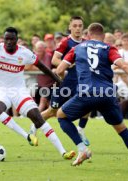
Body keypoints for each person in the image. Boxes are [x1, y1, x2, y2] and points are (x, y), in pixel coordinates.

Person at [56, 23, 128, 169]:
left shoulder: (77, 48)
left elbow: (60, 69)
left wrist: (63, 73)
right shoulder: (109, 48)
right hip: (107, 94)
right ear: (103, 37)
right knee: (122, 129)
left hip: (86, 92)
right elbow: (124, 66)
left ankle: (82, 149)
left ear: (88, 36)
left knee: (61, 116)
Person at [0, 27, 75, 160]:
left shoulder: (24, 53)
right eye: (6, 39)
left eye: (12, 39)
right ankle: (27, 136)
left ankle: (63, 152)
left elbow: (42, 66)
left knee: (37, 118)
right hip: (1, 91)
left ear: (17, 40)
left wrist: (56, 78)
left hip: (19, 91)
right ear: (4, 39)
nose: (9, 42)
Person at [35, 16, 89, 146]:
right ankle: (33, 129)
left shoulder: (87, 43)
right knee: (52, 111)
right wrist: (68, 64)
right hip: (66, 82)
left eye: (80, 25)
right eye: (75, 25)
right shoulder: (66, 42)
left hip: (81, 81)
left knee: (89, 104)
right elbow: (54, 60)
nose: (77, 28)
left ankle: (80, 129)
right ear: (70, 27)